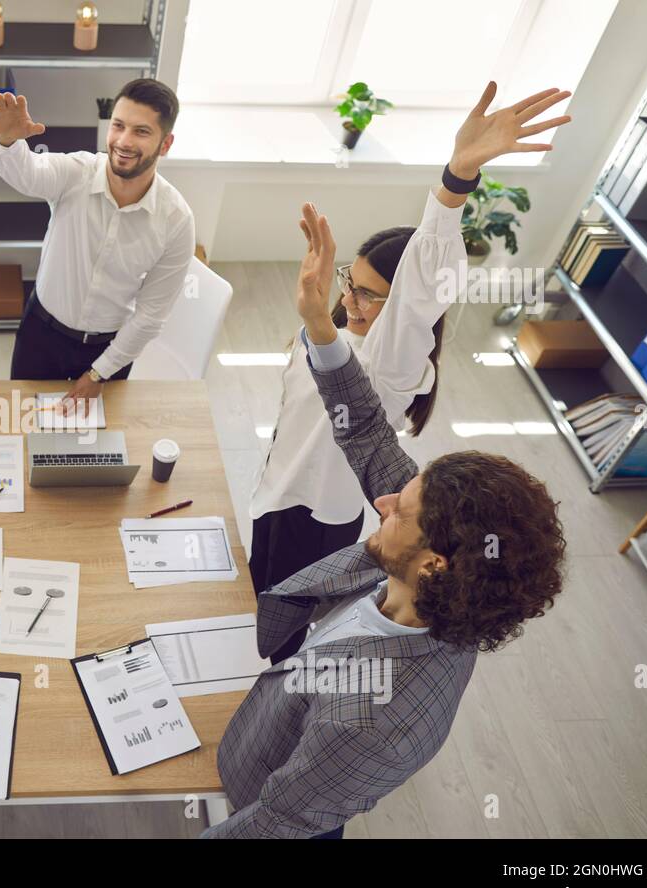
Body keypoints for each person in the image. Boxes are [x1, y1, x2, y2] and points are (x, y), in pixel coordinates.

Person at [204, 89, 571, 839]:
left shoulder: (380, 717)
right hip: (272, 724)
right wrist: (316, 322)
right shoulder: (414, 560)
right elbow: (364, 430)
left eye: (406, 504)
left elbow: (276, 821)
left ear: (434, 562)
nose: (386, 501)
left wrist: (453, 186)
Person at [248, 81, 571, 666]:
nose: (353, 301)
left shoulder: (393, 362)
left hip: (318, 512)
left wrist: (454, 182)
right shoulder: (334, 330)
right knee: (257, 588)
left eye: (372, 296)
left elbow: (426, 283)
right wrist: (321, 316)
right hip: (277, 489)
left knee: (285, 620)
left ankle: (275, 674)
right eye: (352, 283)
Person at [0, 78, 195, 410]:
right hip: (41, 334)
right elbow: (26, 173)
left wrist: (100, 373)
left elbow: (150, 315)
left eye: (141, 132)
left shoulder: (176, 220)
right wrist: (8, 139)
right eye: (118, 126)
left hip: (109, 349)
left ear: (165, 144)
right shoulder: (76, 172)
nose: (123, 141)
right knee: (25, 424)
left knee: (95, 445)